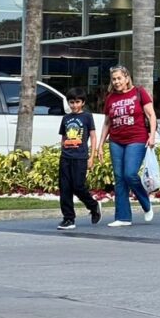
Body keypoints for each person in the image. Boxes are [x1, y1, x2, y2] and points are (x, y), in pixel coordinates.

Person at [95, 65, 157, 227]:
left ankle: (145, 202)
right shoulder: (110, 98)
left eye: (119, 78)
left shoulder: (139, 92)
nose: (116, 82)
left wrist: (152, 136)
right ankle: (123, 217)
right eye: (114, 79)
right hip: (116, 141)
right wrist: (100, 145)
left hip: (136, 139)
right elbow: (107, 123)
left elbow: (151, 115)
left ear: (127, 78)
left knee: (129, 174)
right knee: (119, 178)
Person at [56, 87, 101, 230]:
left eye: (77, 102)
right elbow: (64, 137)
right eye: (71, 102)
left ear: (83, 102)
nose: (74, 105)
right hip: (65, 158)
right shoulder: (66, 118)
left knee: (78, 186)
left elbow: (93, 136)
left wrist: (92, 157)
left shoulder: (87, 117)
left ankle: (93, 206)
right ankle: (68, 218)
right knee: (65, 189)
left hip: (80, 157)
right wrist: (63, 152)